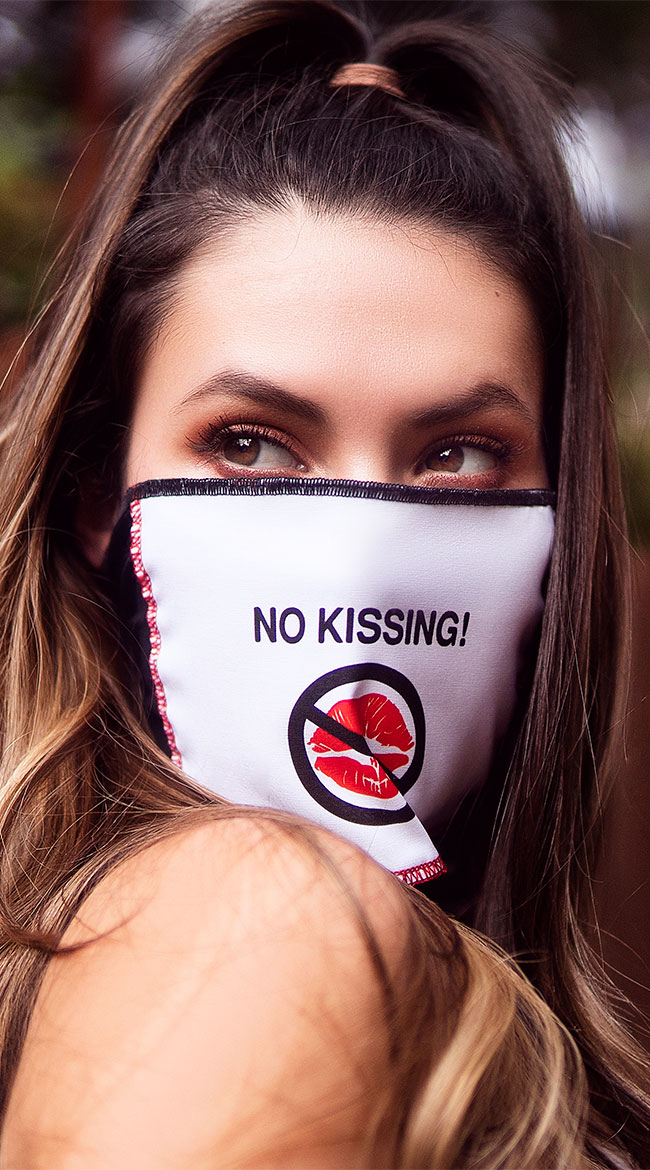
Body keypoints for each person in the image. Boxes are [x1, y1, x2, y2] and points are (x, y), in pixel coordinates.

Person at [0, 0, 648, 1165]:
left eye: (458, 455)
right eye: (250, 443)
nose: (359, 559)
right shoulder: (258, 918)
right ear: (99, 492)